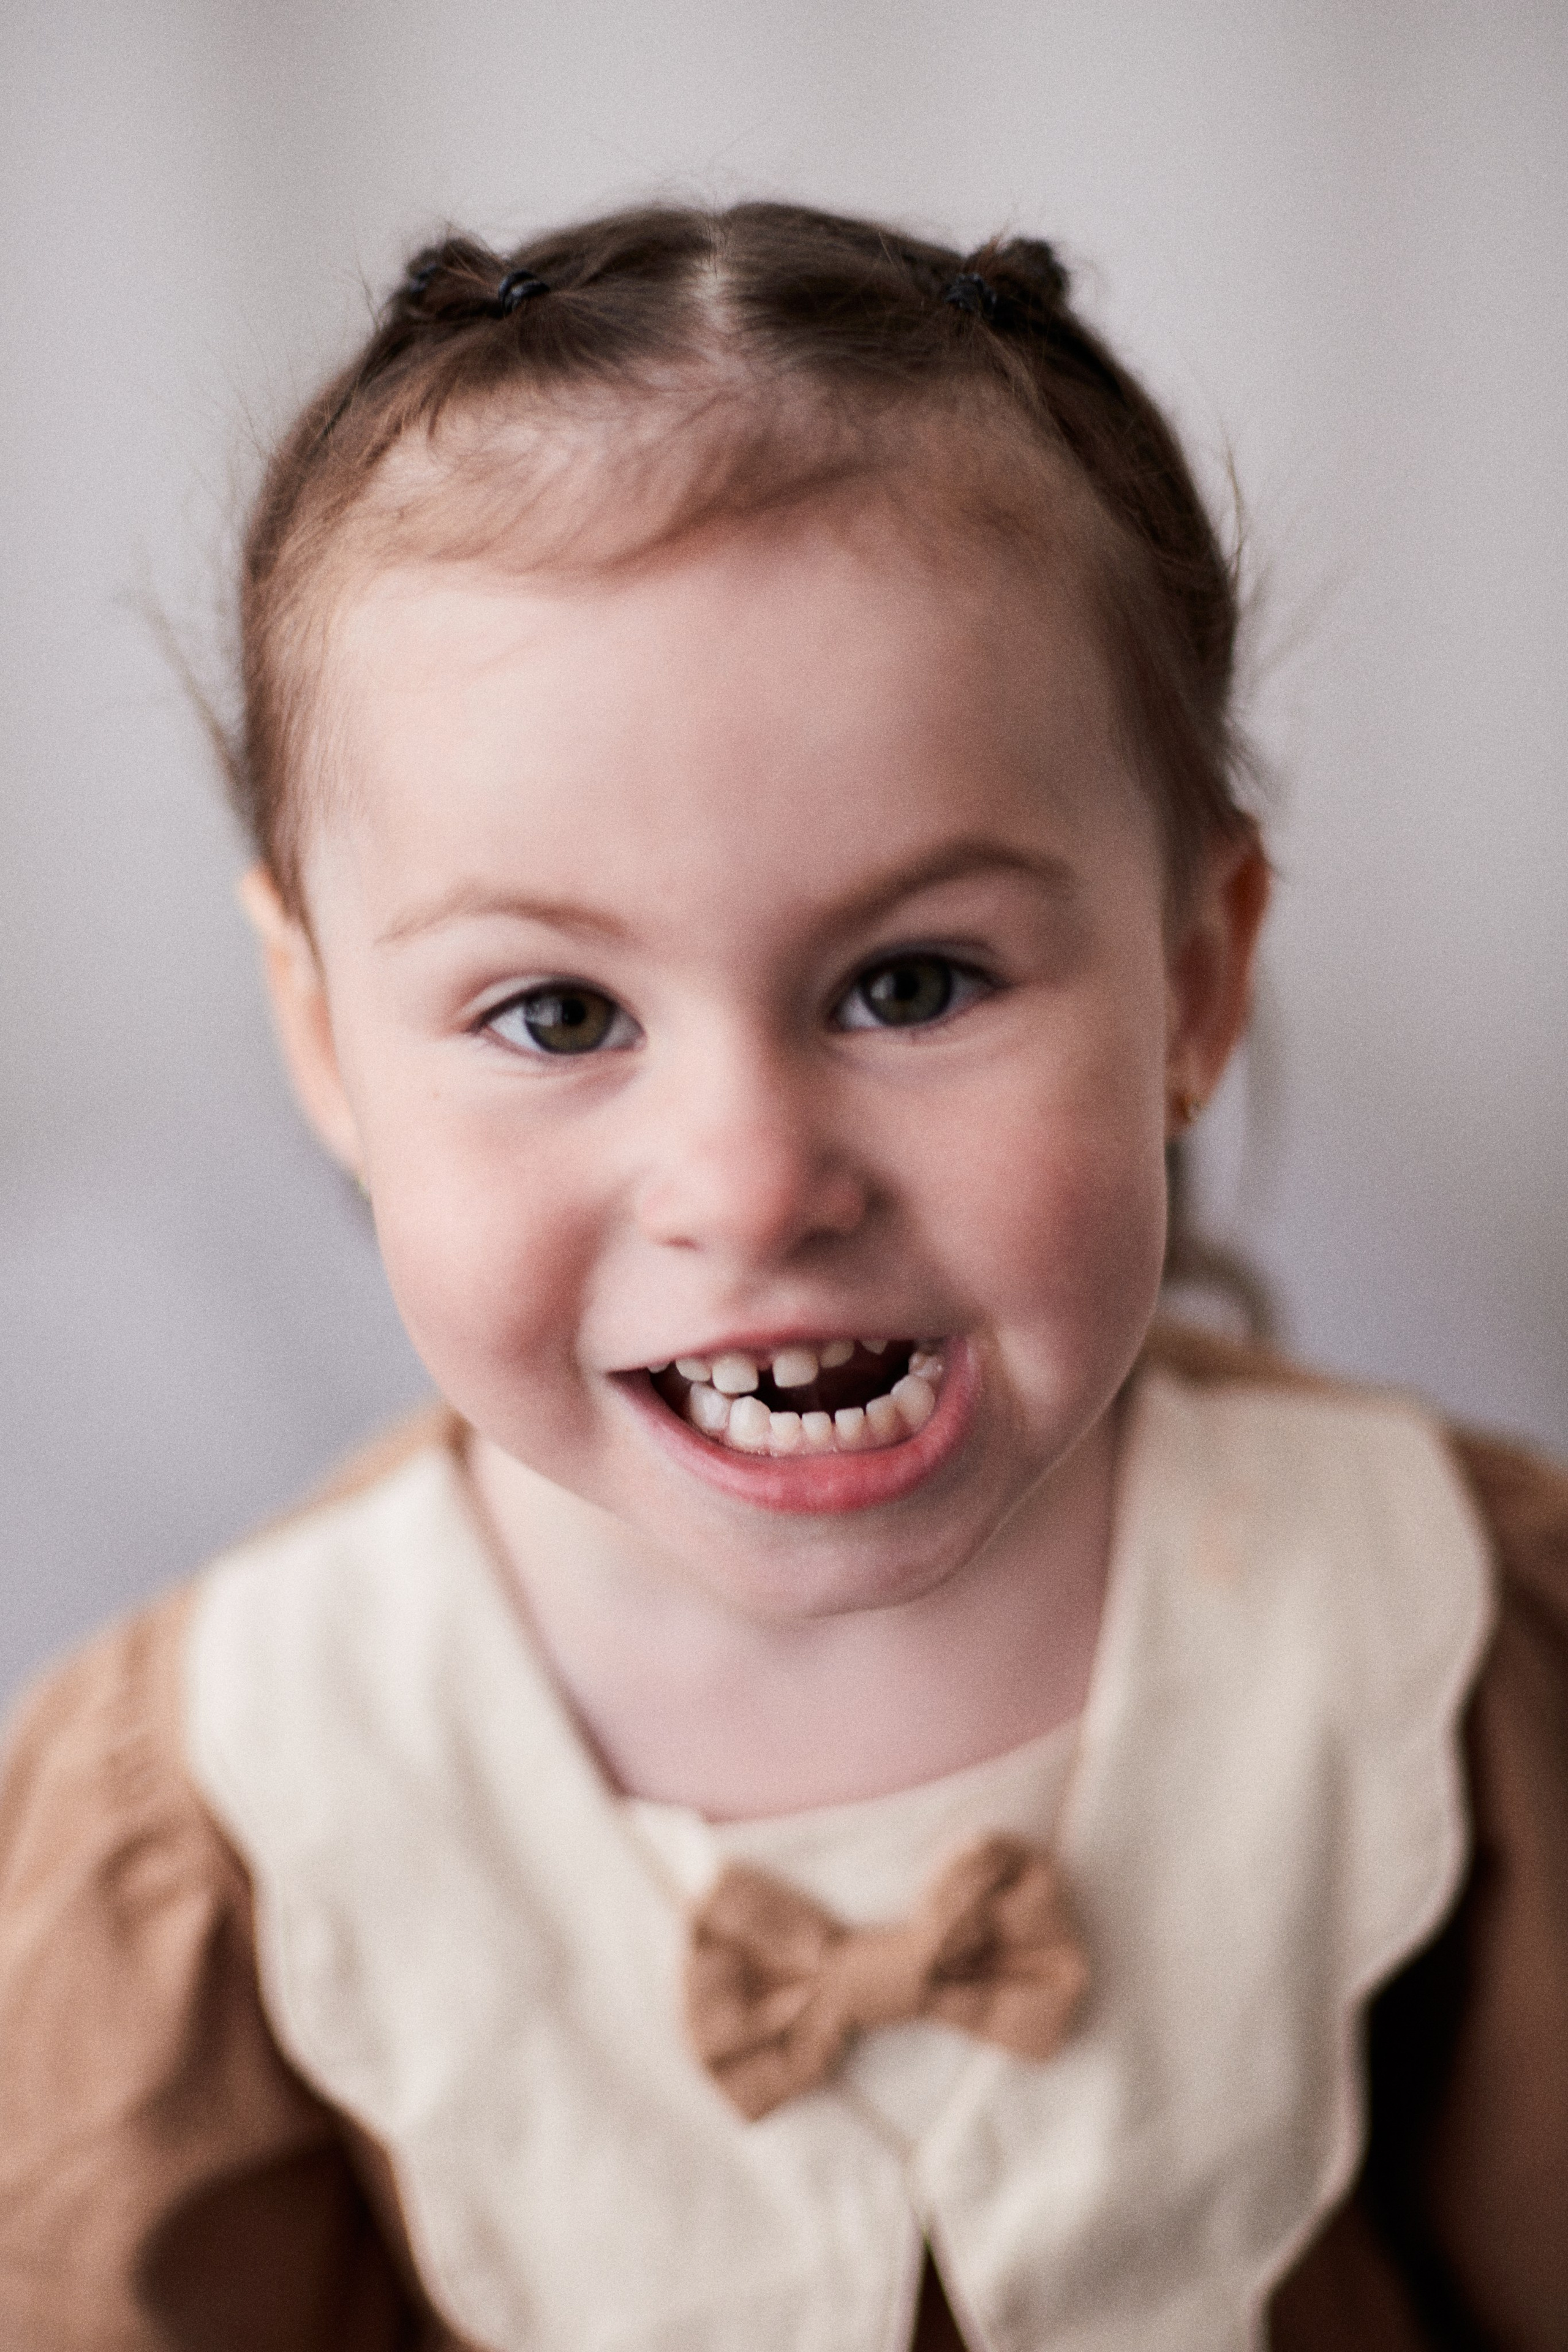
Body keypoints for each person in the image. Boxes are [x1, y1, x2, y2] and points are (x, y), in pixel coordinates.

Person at [0, 202, 1563, 2352]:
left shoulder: (1449, 1627)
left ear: (1193, 984)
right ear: (324, 1039)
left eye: (912, 982)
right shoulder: (226, 1798)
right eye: (558, 1014)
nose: (749, 1188)